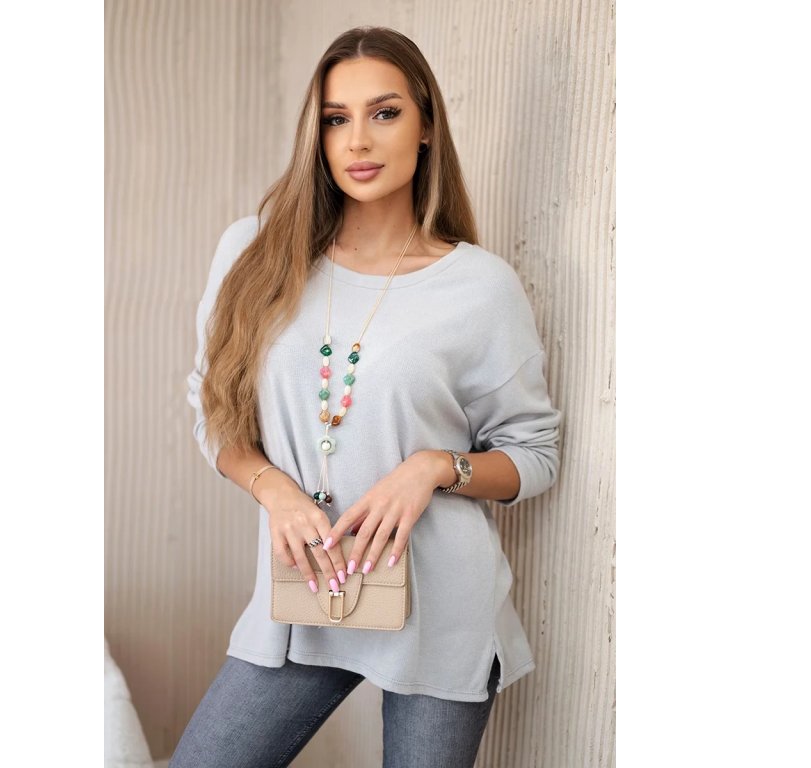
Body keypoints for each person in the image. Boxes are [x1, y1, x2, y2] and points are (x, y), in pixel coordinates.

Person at [172, 25, 561, 768]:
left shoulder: (480, 288)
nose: (358, 139)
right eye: (335, 118)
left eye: (384, 113)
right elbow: (212, 410)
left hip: (441, 611)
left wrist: (433, 468)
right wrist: (275, 491)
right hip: (302, 594)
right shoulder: (255, 253)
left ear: (426, 127)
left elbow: (534, 454)